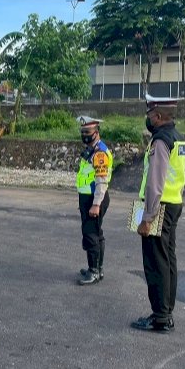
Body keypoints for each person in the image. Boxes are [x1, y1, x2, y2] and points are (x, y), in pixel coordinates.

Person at [130, 94, 185, 333]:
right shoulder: (179, 139)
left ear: (158, 116)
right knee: (168, 260)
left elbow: (155, 182)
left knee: (155, 262)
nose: (148, 119)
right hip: (173, 202)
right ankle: (166, 312)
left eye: (149, 115)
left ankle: (160, 316)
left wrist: (147, 217)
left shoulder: (161, 141)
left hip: (158, 206)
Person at [75, 116, 113, 285]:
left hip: (94, 198)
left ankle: (94, 271)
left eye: (87, 132)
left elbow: (101, 180)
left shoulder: (99, 153)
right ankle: (97, 268)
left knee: (91, 234)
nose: (84, 135)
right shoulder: (91, 150)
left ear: (96, 133)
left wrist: (96, 204)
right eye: (82, 132)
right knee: (96, 233)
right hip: (87, 197)